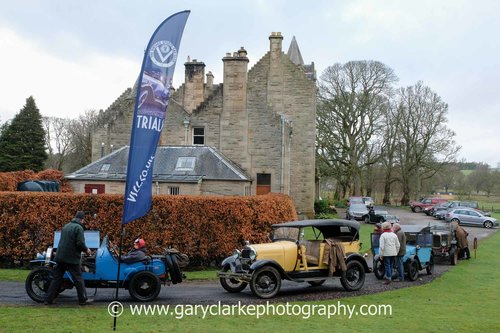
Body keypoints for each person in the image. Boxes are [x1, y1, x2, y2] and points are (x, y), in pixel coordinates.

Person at [45, 211, 92, 305]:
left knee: (56, 278)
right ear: (82, 219)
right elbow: (80, 243)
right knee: (78, 278)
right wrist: (87, 250)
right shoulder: (79, 228)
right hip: (71, 258)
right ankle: (83, 299)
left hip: (60, 256)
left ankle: (48, 300)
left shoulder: (66, 226)